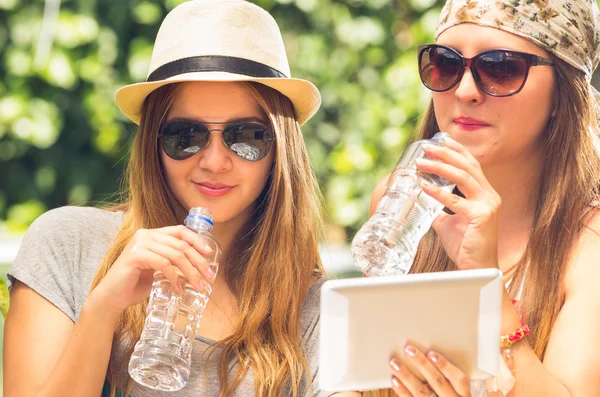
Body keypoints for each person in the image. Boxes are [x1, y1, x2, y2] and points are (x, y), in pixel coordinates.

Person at [3, 1, 330, 396]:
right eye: (186, 136)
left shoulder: (311, 304)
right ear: (153, 145)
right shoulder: (67, 244)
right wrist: (104, 307)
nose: (213, 161)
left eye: (244, 137)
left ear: (281, 149)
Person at [358, 0, 600, 396]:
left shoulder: (590, 244)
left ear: (562, 93)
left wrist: (485, 284)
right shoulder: (399, 201)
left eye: (501, 68)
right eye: (446, 64)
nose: (465, 90)